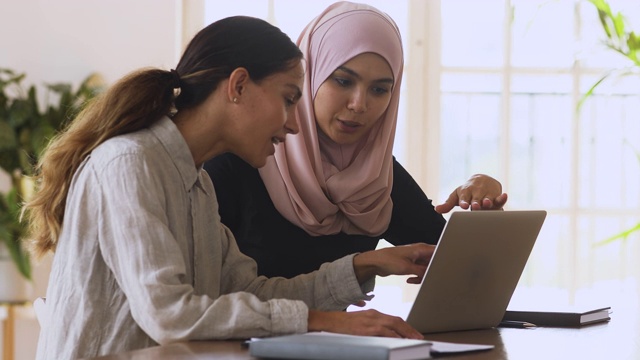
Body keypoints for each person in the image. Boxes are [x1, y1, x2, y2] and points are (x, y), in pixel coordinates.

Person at [24, 16, 437, 360]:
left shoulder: (196, 180)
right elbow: (168, 314)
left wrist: (367, 265)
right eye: (289, 98)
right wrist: (326, 320)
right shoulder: (130, 163)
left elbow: (252, 289)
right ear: (238, 86)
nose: (294, 123)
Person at [204, 1, 509, 279]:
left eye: (379, 89)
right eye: (343, 81)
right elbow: (211, 298)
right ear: (306, 76)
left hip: (342, 339)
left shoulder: (373, 175)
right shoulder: (236, 162)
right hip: (237, 340)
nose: (359, 104)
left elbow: (461, 265)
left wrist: (486, 212)